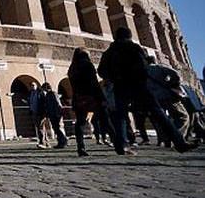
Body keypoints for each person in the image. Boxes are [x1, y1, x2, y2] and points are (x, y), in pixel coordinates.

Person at [98, 27, 197, 155]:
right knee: (158, 113)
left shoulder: (109, 52)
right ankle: (179, 142)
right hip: (138, 85)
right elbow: (144, 67)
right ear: (129, 36)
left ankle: (122, 145)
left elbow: (101, 71)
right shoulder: (134, 47)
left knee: (121, 116)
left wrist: (114, 78)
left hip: (120, 86)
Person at [67, 48, 116, 156]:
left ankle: (81, 147)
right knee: (105, 120)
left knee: (80, 123)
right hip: (91, 97)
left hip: (79, 98)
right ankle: (119, 145)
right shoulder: (87, 65)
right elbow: (94, 83)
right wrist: (102, 98)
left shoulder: (72, 68)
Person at [41, 83, 68, 148]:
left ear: (47, 87)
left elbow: (58, 103)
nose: (43, 90)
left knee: (57, 128)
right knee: (55, 128)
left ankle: (63, 141)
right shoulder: (48, 95)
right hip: (51, 114)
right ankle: (61, 142)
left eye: (44, 88)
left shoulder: (53, 93)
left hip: (56, 114)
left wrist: (59, 113)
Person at [27, 82, 49, 148]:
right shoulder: (30, 94)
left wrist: (45, 112)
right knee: (39, 127)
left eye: (33, 85)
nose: (32, 86)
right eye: (31, 85)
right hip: (34, 112)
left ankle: (42, 142)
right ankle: (46, 142)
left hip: (41, 112)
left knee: (40, 127)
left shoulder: (40, 92)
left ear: (36, 86)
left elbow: (44, 102)